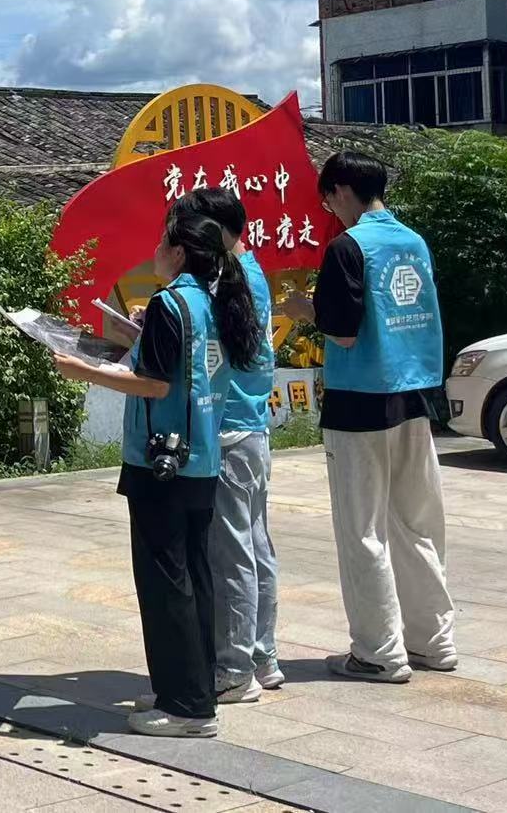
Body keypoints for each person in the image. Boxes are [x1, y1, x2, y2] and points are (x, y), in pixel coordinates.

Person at [55, 206, 266, 738]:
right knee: (193, 577)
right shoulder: (216, 300)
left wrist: (83, 370)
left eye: (161, 241)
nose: (154, 250)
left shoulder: (172, 303)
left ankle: (187, 709)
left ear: (178, 251)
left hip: (161, 459)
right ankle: (190, 689)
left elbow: (156, 384)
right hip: (201, 458)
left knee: (166, 583)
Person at [291, 151, 456, 683]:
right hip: (415, 395)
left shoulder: (348, 246)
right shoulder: (414, 242)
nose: (330, 211)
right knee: (416, 522)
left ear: (341, 191)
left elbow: (342, 332)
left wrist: (304, 311)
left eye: (328, 200)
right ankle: (434, 641)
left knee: (362, 528)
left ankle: (378, 652)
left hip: (360, 399)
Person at [181, 187, 282, 702]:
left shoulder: (223, 280)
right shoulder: (252, 272)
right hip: (253, 428)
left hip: (227, 429)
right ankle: (263, 656)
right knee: (255, 546)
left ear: (214, 233)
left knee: (231, 555)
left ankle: (234, 669)